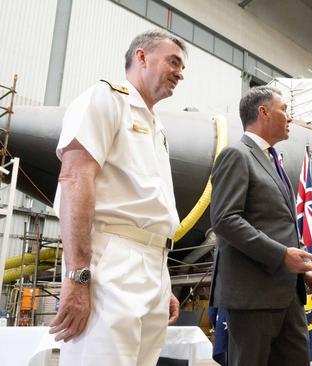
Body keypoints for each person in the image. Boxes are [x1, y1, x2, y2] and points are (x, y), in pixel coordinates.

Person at [49, 30, 187, 365]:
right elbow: (73, 178)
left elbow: (147, 207)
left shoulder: (157, 127)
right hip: (111, 264)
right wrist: (78, 275)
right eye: (174, 62)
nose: (181, 73)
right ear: (141, 57)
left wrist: (160, 278)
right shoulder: (105, 99)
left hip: (153, 264)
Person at [209, 86, 312, 366]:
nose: (289, 116)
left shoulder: (272, 160)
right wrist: (282, 256)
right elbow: (225, 219)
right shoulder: (237, 154)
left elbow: (279, 223)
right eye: (283, 109)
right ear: (263, 112)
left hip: (287, 295)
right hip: (253, 298)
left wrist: (303, 270)